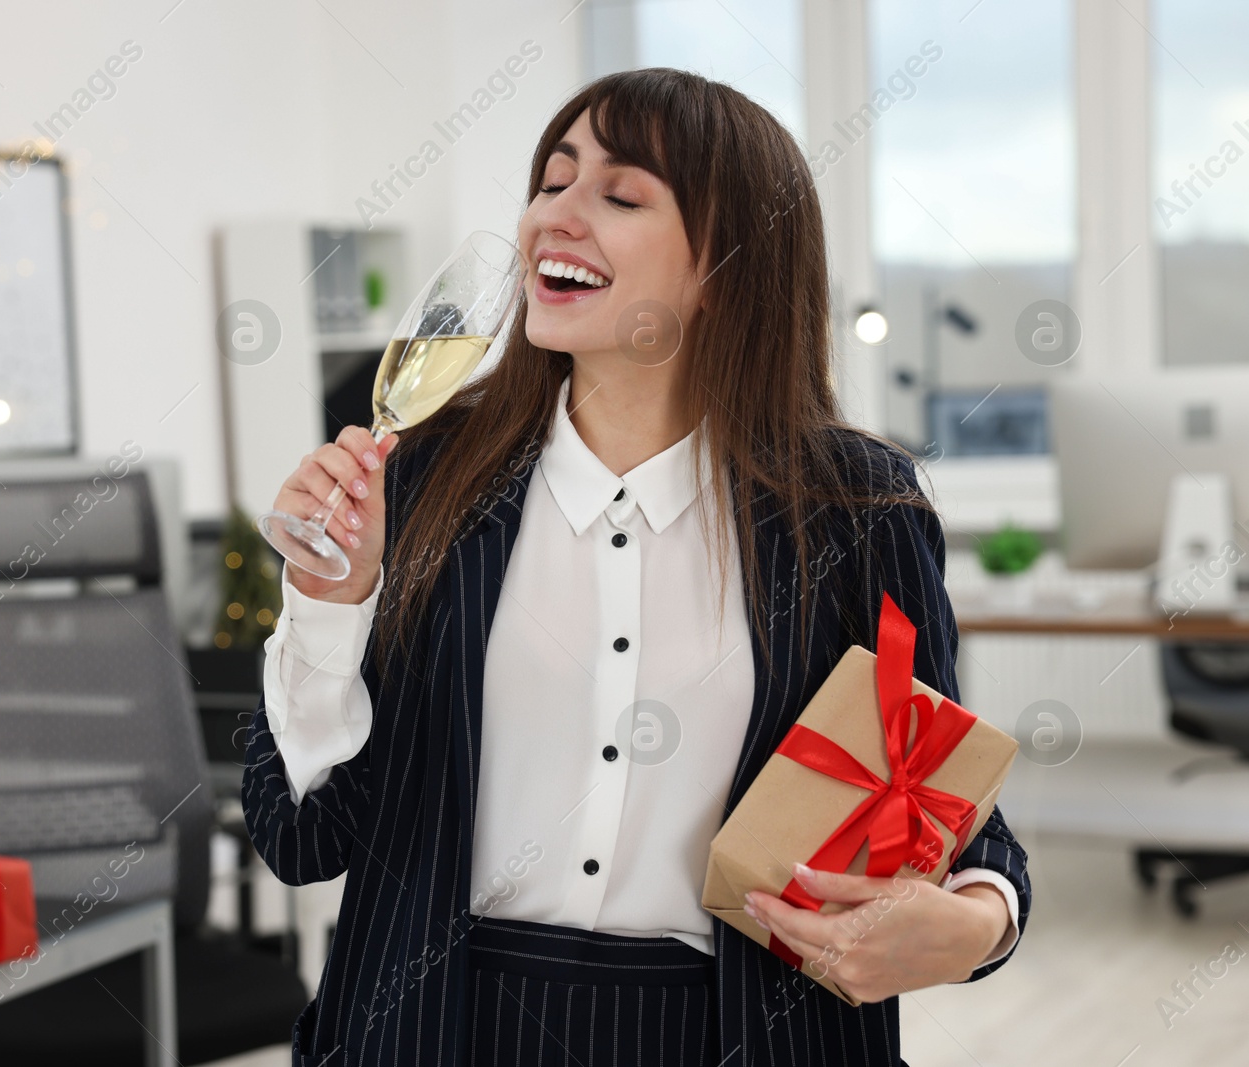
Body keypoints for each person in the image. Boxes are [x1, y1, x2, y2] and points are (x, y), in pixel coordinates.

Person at [242, 67, 1029, 1067]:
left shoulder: (856, 508)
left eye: (618, 196)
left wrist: (979, 920)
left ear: (727, 265)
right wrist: (328, 606)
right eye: (550, 183)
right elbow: (302, 836)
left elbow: (949, 812)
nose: (553, 220)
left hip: (741, 1033)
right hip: (434, 1027)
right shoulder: (423, 475)